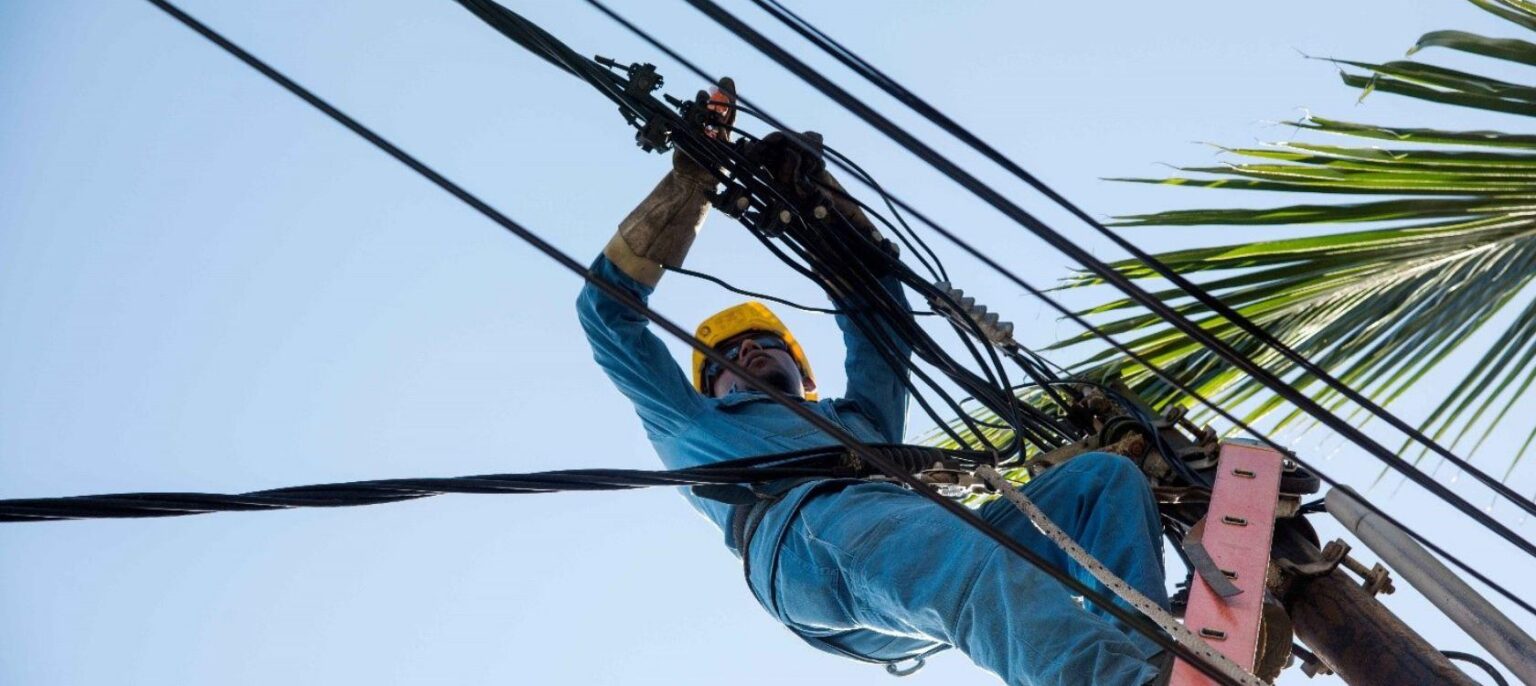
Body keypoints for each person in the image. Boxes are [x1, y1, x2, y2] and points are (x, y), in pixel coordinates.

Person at [575, 79, 1173, 686]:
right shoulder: (692, 426)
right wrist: (690, 185)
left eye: (764, 341)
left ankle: (1151, 655)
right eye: (726, 355)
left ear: (804, 373)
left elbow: (877, 306)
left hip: (900, 540)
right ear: (710, 389)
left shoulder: (859, 424)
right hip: (807, 536)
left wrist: (824, 209)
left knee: (1104, 483)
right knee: (962, 564)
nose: (749, 347)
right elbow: (607, 315)